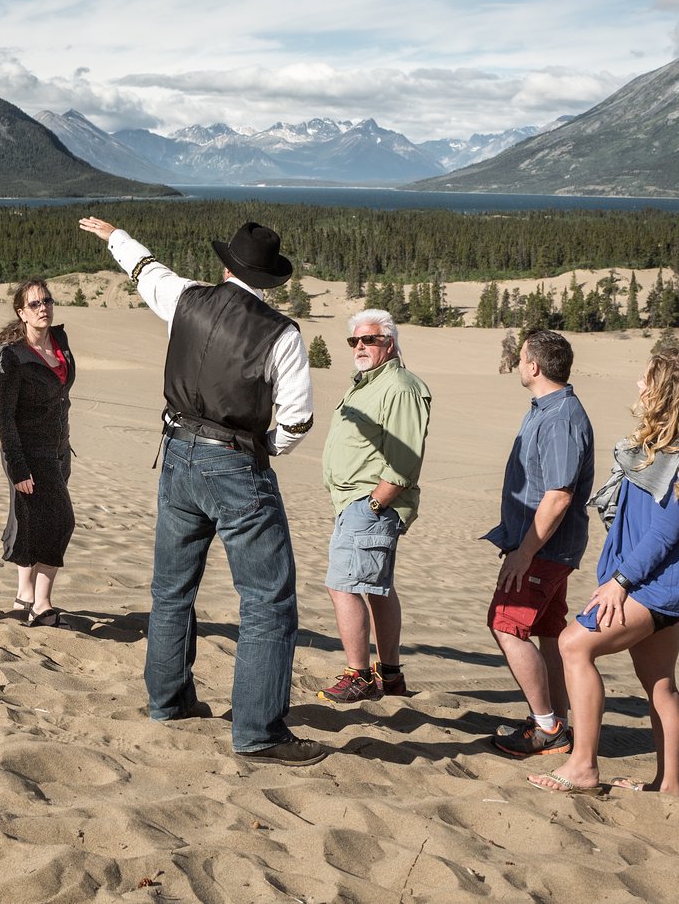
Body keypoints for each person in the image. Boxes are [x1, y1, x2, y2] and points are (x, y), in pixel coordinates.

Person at [77, 215, 323, 766]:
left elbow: (145, 269)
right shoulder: (282, 333)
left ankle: (167, 700)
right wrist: (268, 449)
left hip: (178, 454)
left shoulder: (186, 298)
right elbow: (298, 420)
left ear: (225, 266)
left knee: (171, 588)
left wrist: (115, 235)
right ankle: (258, 731)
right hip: (236, 464)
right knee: (266, 600)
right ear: (268, 279)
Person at [528, 345, 679, 796]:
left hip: (655, 585)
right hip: (654, 583)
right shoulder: (657, 449)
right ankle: (669, 785)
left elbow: (663, 536)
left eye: (647, 378)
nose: (639, 384)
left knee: (573, 645)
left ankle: (582, 766)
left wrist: (620, 582)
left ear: (667, 391)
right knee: (659, 684)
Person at [484, 328, 595, 757]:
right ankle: (559, 722)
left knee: (506, 625)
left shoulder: (560, 418)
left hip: (543, 549)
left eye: (521, 358)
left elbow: (559, 493)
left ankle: (546, 725)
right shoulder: (546, 409)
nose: (517, 364)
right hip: (543, 546)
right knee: (548, 630)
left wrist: (524, 552)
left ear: (533, 366)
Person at [315, 307, 430, 704]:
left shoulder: (400, 386)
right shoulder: (368, 382)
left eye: (371, 339)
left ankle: (359, 675)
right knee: (377, 588)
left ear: (390, 343)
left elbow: (405, 456)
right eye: (355, 340)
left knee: (342, 586)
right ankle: (391, 675)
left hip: (370, 504)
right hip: (357, 502)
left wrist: (375, 503)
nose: (361, 346)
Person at [0, 278, 77, 628]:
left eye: (47, 301)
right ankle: (42, 604)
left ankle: (24, 597)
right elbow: (4, 416)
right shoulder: (13, 358)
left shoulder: (59, 342)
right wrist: (18, 467)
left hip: (58, 448)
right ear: (20, 312)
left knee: (33, 521)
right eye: (34, 304)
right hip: (28, 451)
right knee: (61, 522)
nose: (43, 308)